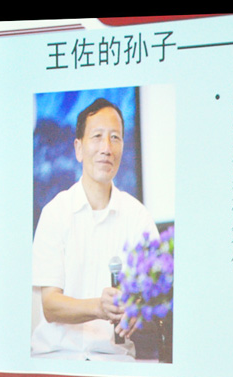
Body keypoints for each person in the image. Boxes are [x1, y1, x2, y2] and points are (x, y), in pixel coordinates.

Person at [31, 98, 158, 361]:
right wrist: (99, 307)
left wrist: (139, 307)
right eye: (97, 136)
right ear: (78, 148)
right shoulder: (55, 213)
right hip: (57, 360)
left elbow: (154, 294)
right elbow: (50, 306)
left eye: (115, 138)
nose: (106, 148)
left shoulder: (138, 217)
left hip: (114, 361)